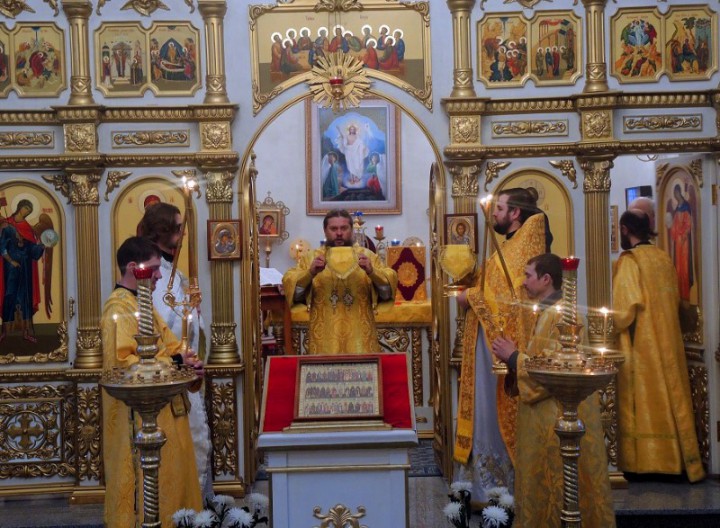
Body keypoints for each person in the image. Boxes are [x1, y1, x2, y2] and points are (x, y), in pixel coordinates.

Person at [492, 253, 615, 527]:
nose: (523, 282)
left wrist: (514, 357)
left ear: (546, 279)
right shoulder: (548, 312)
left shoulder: (563, 315)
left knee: (560, 493)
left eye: (528, 275)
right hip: (548, 421)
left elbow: (558, 370)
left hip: (559, 422)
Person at [101, 236, 203, 528]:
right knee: (149, 493)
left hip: (165, 414)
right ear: (134, 267)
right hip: (141, 420)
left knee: (175, 488)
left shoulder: (141, 303)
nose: (159, 275)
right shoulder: (119, 309)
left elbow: (172, 348)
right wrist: (178, 363)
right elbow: (124, 365)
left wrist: (190, 363)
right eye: (155, 268)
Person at [453, 188, 547, 504]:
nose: (494, 213)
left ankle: (500, 491)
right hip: (488, 346)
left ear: (515, 213)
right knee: (485, 412)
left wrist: (469, 296)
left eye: (500, 208)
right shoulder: (508, 245)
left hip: (501, 348)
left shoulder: (524, 247)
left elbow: (507, 296)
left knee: (495, 414)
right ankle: (485, 488)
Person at [612, 211, 704, 482]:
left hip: (644, 346)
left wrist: (604, 324)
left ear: (625, 229)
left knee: (646, 401)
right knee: (670, 398)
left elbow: (624, 311)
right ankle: (675, 460)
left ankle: (646, 462)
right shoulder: (663, 258)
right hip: (670, 341)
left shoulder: (630, 261)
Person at [137, 204, 214, 500]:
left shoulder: (173, 270)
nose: (183, 233)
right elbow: (159, 325)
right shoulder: (156, 274)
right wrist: (187, 314)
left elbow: (186, 322)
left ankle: (192, 508)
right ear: (163, 230)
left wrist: (193, 313)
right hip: (167, 378)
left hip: (185, 373)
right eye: (178, 227)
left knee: (193, 445)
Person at [282, 209, 397, 354]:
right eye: (333, 228)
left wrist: (372, 272)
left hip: (360, 338)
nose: (339, 233)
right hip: (324, 339)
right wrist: (310, 273)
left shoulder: (368, 256)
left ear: (351, 230)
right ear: (325, 231)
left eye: (344, 228)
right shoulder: (312, 258)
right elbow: (292, 287)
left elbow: (387, 290)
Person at [0, 199, 45, 344]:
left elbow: (32, 250)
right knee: (9, 295)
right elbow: (2, 247)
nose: (27, 212)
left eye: (29, 210)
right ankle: (5, 332)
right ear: (19, 207)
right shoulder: (7, 225)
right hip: (11, 269)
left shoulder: (28, 228)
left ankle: (26, 333)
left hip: (25, 269)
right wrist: (11, 261)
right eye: (26, 208)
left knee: (25, 298)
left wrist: (42, 246)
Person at [668, 184, 693, 301]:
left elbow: (688, 224)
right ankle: (679, 294)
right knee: (678, 267)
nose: (675, 196)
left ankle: (686, 293)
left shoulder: (686, 207)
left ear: (679, 192)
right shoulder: (677, 207)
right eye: (674, 194)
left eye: (676, 193)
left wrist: (682, 235)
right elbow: (674, 224)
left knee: (684, 266)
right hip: (677, 242)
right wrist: (672, 230)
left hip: (684, 242)